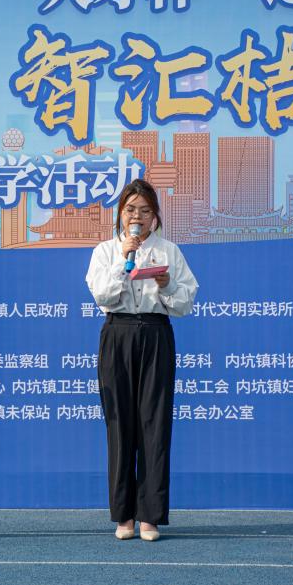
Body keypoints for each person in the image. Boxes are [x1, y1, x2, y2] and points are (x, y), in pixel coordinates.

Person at [85, 179, 198, 542]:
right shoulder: (105, 251)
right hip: (117, 333)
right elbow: (103, 295)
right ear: (120, 213)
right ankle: (124, 515)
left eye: (145, 211)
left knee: (154, 422)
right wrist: (124, 258)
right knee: (120, 424)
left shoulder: (169, 251)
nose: (138, 217)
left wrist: (166, 284)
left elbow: (185, 303)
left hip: (155, 333)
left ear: (155, 216)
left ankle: (150, 514)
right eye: (131, 210)